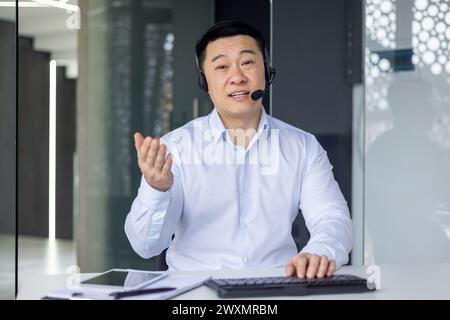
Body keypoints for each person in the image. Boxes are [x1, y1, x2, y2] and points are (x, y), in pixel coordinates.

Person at [125, 21, 352, 279]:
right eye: (222, 67)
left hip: (276, 290)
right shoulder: (175, 148)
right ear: (204, 80)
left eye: (247, 63)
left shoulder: (303, 146)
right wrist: (157, 189)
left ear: (266, 72)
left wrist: (320, 251)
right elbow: (145, 246)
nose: (237, 77)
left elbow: (332, 219)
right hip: (195, 293)